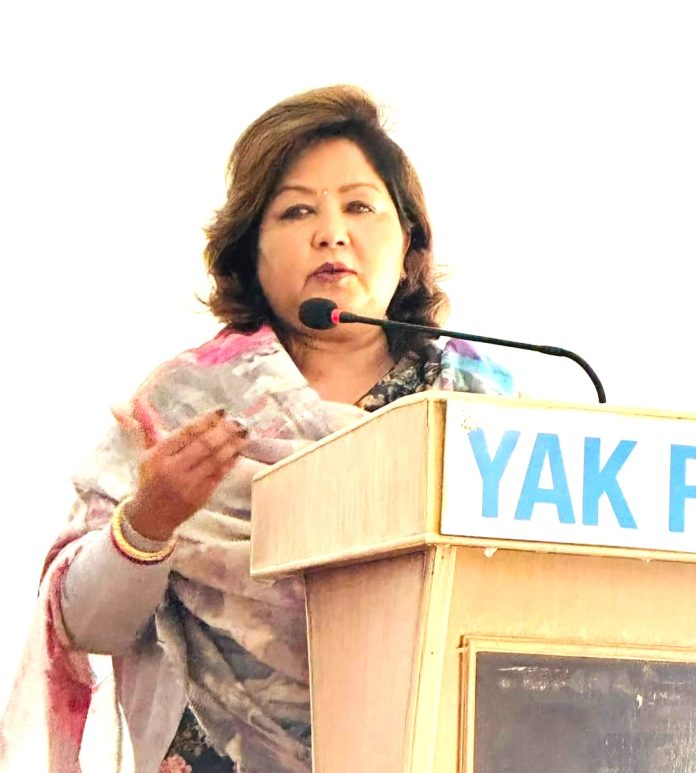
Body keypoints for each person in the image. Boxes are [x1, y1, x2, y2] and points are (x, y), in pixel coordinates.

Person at [0, 84, 516, 772]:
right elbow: (86, 625)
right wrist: (149, 521)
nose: (331, 232)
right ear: (251, 250)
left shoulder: (483, 408)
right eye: (297, 210)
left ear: (409, 239)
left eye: (360, 206)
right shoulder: (184, 405)